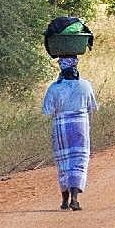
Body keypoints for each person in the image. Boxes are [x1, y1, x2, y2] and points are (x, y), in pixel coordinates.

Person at [42, 56, 99, 211]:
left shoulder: (54, 88)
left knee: (63, 162)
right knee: (79, 160)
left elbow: (47, 110)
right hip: (80, 125)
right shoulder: (85, 85)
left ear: (62, 68)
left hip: (61, 127)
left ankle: (64, 200)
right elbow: (92, 106)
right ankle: (75, 199)